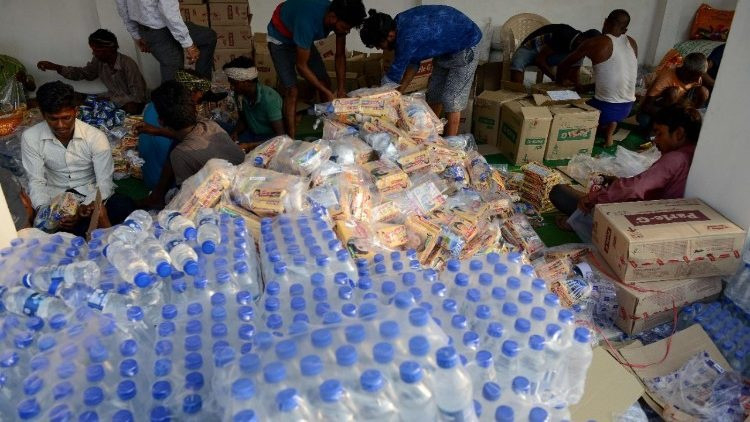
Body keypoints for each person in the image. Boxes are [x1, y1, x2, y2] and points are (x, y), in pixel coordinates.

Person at [21, 81, 134, 235]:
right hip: (55, 196)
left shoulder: (95, 137)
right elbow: (36, 182)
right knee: (42, 224)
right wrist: (46, 211)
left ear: (76, 111)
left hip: (88, 195)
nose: (60, 125)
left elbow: (104, 182)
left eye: (66, 118)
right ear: (43, 113)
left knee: (123, 206)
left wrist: (83, 209)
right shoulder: (30, 137)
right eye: (53, 119)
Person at [549, 106, 702, 219]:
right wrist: (618, 183)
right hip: (662, 214)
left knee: (559, 192)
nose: (655, 140)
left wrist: (594, 198)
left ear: (679, 134)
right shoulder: (694, 153)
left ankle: (581, 222)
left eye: (659, 133)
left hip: (644, 218)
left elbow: (634, 189)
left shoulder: (675, 159)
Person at [360, 6, 482, 136]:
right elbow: (413, 62)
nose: (379, 49)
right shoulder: (399, 23)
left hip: (466, 43)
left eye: (379, 45)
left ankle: (450, 143)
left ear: (389, 35)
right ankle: (432, 134)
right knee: (434, 93)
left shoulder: (407, 38)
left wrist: (378, 101)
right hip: (446, 46)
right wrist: (399, 92)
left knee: (451, 100)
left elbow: (392, 79)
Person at [267, 0, 367, 139]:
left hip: (301, 35)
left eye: (349, 28)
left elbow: (340, 55)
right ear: (332, 17)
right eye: (345, 27)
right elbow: (301, 67)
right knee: (292, 91)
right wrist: (326, 92)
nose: (346, 31)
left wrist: (341, 88)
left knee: (324, 81)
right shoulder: (308, 22)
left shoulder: (338, 18)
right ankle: (291, 140)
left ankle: (330, 130)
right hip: (281, 38)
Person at [557, 10, 638, 147]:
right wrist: (587, 87)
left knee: (564, 110)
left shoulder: (597, 42)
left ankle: (600, 125)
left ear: (605, 22)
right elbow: (617, 75)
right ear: (625, 30)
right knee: (601, 99)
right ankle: (609, 128)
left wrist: (559, 85)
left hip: (604, 109)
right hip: (628, 108)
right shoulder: (632, 42)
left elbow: (564, 65)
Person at [149, 80, 244, 185]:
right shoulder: (210, 124)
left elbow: (189, 191)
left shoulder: (179, 155)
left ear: (161, 121)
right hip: (245, 175)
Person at [37, 29, 147, 114]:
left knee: (131, 107)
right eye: (93, 50)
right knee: (73, 96)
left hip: (129, 103)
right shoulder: (98, 61)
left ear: (110, 48)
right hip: (110, 100)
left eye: (97, 50)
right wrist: (57, 67)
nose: (94, 53)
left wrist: (112, 101)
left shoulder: (128, 64)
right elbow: (85, 73)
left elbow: (138, 96)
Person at [115, 0, 217, 81]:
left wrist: (136, 34)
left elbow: (122, 6)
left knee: (208, 37)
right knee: (173, 78)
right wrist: (189, 45)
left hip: (153, 28)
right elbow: (169, 12)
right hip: (158, 31)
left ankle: (202, 88)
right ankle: (178, 99)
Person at [222, 57, 284, 145]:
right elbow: (243, 119)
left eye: (234, 83)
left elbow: (280, 137)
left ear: (247, 81)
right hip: (251, 133)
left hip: (268, 139)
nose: (231, 87)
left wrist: (250, 146)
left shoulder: (269, 99)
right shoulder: (239, 95)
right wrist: (235, 132)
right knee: (218, 127)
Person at [638, 53, 709, 129]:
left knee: (703, 92)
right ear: (686, 71)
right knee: (673, 93)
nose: (698, 80)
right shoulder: (666, 78)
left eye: (699, 76)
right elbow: (646, 107)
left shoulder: (696, 78)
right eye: (695, 76)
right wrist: (672, 119)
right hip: (660, 111)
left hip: (678, 111)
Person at [510, 25, 601, 83]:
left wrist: (577, 86)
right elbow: (540, 60)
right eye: (592, 48)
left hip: (549, 54)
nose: (592, 51)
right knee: (517, 64)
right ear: (581, 40)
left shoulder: (581, 47)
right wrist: (556, 79)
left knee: (577, 58)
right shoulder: (564, 36)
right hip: (530, 48)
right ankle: (518, 95)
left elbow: (574, 70)